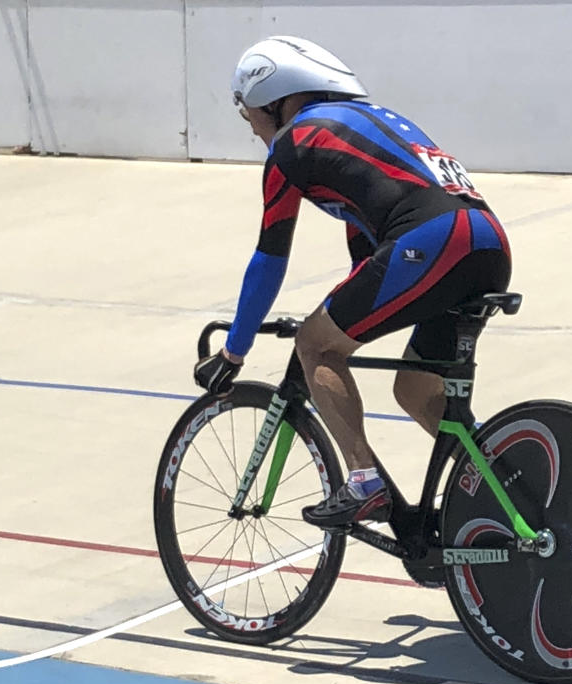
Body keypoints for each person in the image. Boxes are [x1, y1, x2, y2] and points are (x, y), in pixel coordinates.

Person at [193, 36, 511, 528]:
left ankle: (365, 483)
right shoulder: (366, 125)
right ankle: (515, 487)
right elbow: (365, 252)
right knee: (416, 391)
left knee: (316, 345)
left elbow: (269, 258)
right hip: (486, 240)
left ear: (274, 102)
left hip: (433, 240)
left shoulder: (294, 144)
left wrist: (234, 351)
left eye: (249, 114)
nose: (252, 128)